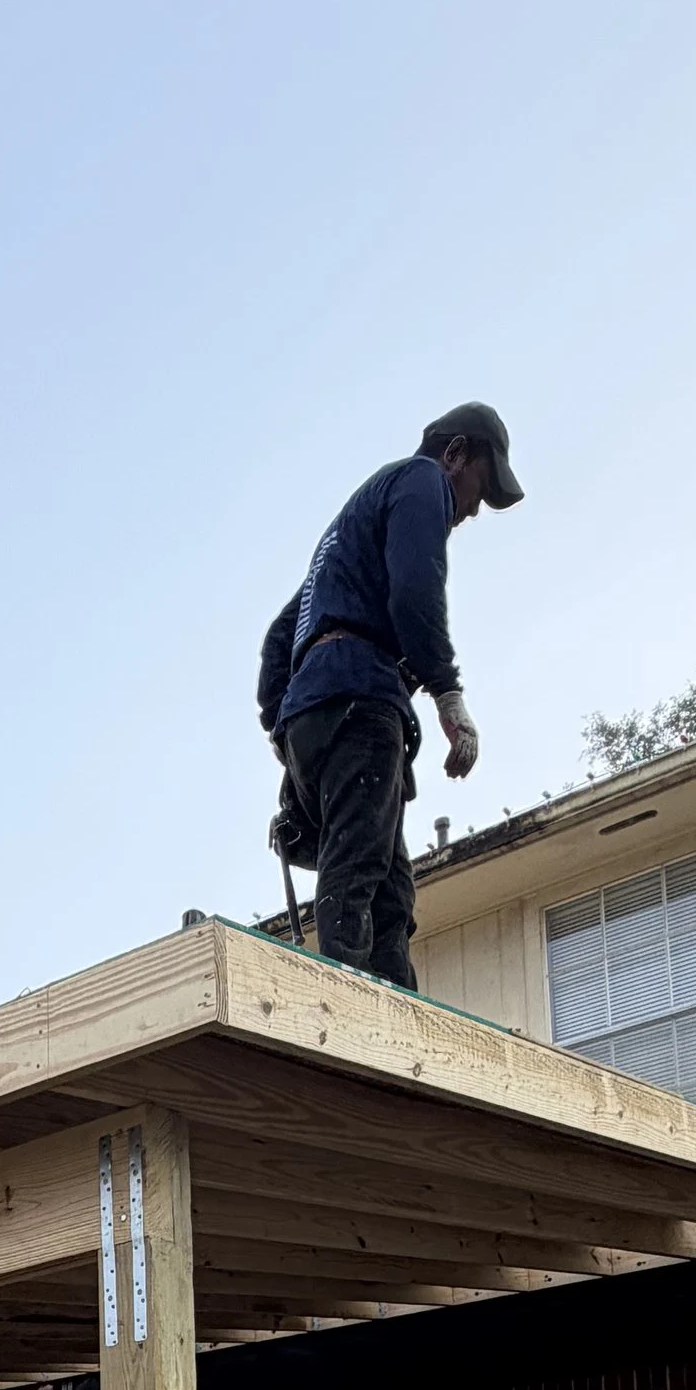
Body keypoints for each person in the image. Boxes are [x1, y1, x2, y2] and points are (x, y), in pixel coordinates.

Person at [258, 402, 524, 991]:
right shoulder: (420, 480)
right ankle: (343, 1014)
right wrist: (448, 694)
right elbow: (415, 589)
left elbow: (280, 637)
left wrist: (286, 726)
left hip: (321, 712)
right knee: (358, 877)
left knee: (388, 892)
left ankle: (398, 1031)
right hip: (359, 703)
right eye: (479, 486)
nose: (474, 510)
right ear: (455, 455)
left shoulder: (346, 535)